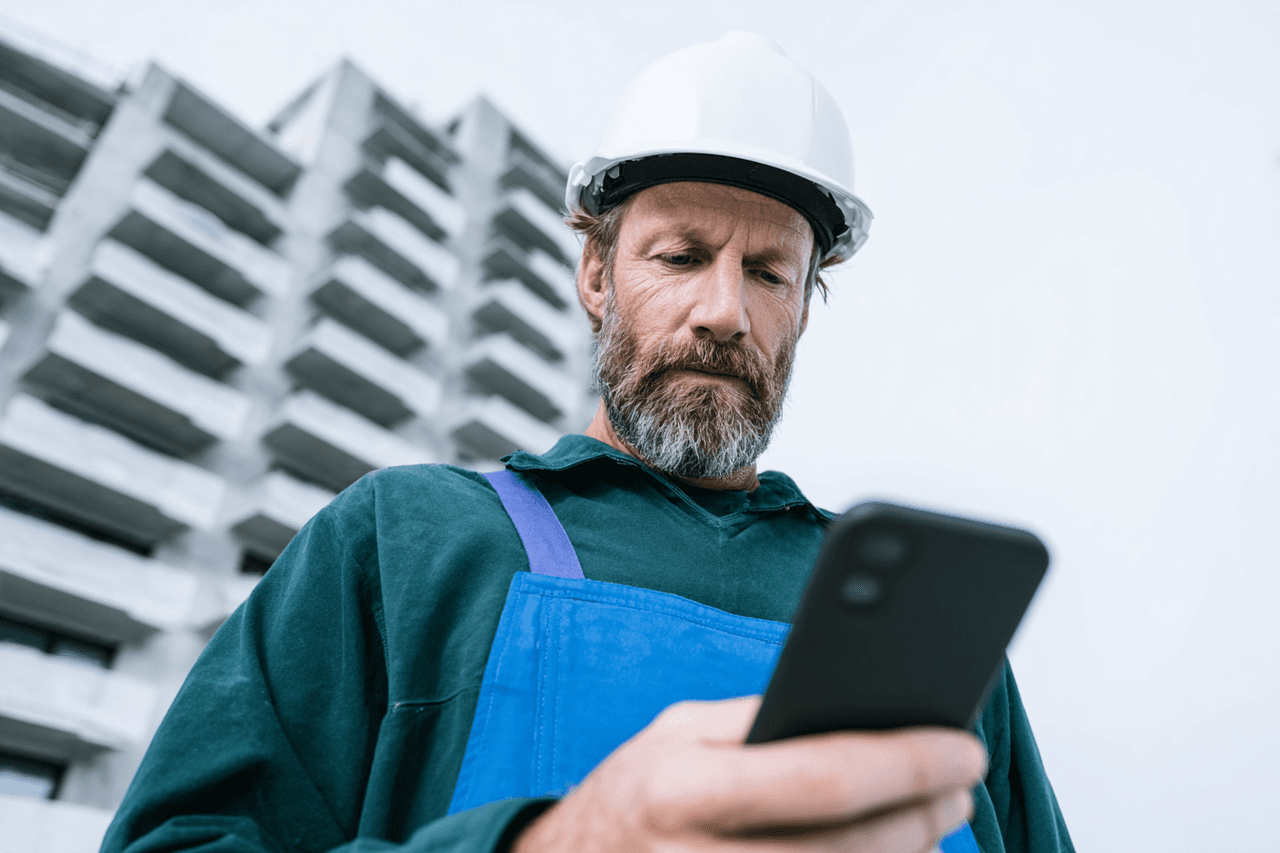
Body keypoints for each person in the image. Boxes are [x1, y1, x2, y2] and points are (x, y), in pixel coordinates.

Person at [101, 32, 1073, 853]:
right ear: (595, 276)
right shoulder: (403, 541)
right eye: (681, 257)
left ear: (804, 311)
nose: (723, 311)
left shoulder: (919, 625)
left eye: (770, 271)